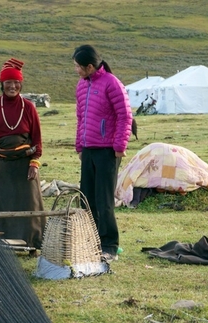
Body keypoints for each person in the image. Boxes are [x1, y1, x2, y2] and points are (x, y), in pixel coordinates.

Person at [0, 58, 46, 252]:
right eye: (8, 83)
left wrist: (34, 163)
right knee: (1, 202)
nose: (12, 86)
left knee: (29, 202)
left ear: (21, 84)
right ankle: (3, 243)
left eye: (16, 82)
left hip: (25, 164)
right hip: (0, 165)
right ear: (2, 84)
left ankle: (31, 243)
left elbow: (37, 139)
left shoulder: (29, 107)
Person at [72, 45, 133, 262]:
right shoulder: (81, 85)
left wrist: (119, 146)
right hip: (88, 150)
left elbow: (125, 116)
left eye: (78, 66)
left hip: (107, 151)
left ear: (90, 66)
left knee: (104, 199)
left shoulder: (112, 83)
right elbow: (81, 117)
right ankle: (91, 241)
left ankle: (109, 245)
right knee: (86, 198)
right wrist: (80, 145)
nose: (76, 70)